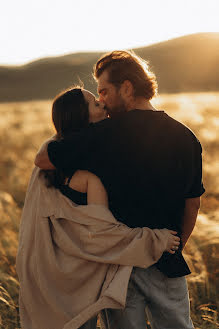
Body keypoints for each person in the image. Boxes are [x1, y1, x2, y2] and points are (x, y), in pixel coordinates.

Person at [35, 51, 205, 329]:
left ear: (127, 87)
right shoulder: (186, 136)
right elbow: (192, 204)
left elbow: (43, 160)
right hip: (167, 260)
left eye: (104, 91)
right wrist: (170, 248)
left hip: (119, 265)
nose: (101, 99)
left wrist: (55, 137)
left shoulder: (104, 133)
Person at [16, 86, 180, 329]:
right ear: (82, 117)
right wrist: (156, 239)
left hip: (47, 277)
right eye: (95, 104)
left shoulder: (47, 164)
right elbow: (103, 235)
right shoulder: (87, 175)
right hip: (77, 279)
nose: (102, 104)